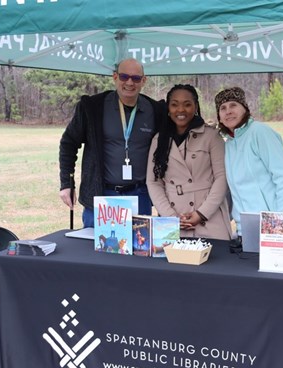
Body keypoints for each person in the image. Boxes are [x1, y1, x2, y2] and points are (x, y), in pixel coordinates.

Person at [59, 58, 163, 227]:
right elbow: (69, 143)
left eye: (136, 78)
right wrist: (66, 184)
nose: (129, 82)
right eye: (124, 77)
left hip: (140, 194)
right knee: (97, 250)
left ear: (144, 81)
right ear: (115, 77)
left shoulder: (156, 110)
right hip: (101, 194)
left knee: (139, 249)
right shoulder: (93, 107)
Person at [214, 86, 283, 236]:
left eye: (233, 105)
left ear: (244, 108)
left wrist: (282, 223)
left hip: (280, 227)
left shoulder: (260, 132)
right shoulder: (228, 143)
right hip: (249, 230)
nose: (228, 111)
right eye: (222, 108)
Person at [147, 84, 232, 240]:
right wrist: (170, 217)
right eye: (174, 105)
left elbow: (222, 178)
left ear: (196, 106)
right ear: (168, 108)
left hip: (209, 218)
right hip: (173, 220)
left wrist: (201, 214)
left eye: (187, 104)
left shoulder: (212, 136)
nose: (181, 110)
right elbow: (154, 182)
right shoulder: (159, 140)